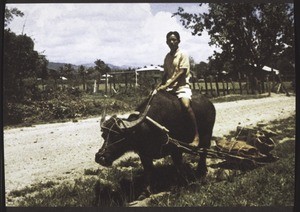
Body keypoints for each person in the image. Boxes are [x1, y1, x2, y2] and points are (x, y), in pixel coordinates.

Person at [157, 31, 200, 148]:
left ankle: (196, 136)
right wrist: (159, 86)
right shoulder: (167, 57)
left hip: (181, 87)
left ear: (178, 41)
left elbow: (182, 72)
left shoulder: (183, 54)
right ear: (166, 42)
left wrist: (167, 85)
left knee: (186, 105)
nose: (172, 42)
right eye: (169, 40)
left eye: (174, 39)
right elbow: (165, 74)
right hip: (169, 88)